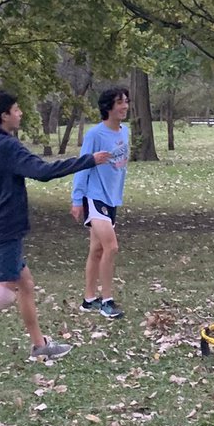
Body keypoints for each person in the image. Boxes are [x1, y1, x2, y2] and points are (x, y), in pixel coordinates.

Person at [0, 89, 110, 377]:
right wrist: (89, 160)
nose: (21, 113)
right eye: (16, 109)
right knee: (4, 294)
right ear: (4, 116)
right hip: (5, 228)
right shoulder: (7, 146)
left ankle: (39, 346)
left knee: (25, 283)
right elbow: (43, 171)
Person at [70, 86, 130, 319]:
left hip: (111, 198)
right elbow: (82, 166)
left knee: (96, 250)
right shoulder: (95, 135)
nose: (124, 106)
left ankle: (88, 300)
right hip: (94, 197)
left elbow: (119, 169)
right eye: (119, 102)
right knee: (111, 247)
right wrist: (77, 200)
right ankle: (107, 301)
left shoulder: (125, 132)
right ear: (108, 107)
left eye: (126, 101)